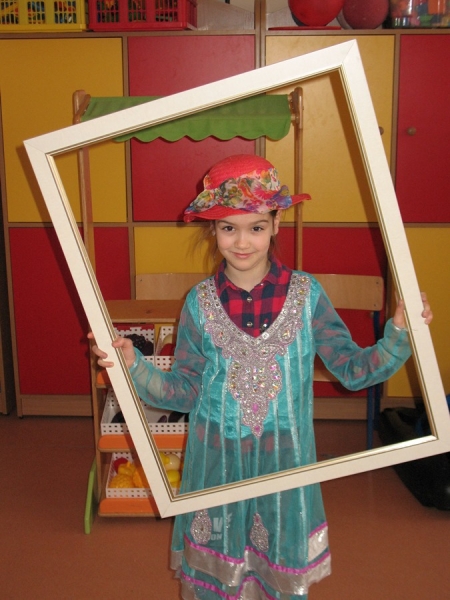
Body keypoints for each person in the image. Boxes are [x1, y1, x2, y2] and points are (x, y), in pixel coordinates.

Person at [90, 154, 433, 600]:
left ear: (275, 223)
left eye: (255, 227)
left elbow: (353, 370)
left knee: (278, 577)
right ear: (212, 230)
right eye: (227, 228)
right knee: (217, 578)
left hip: (284, 468)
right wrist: (133, 365)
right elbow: (185, 391)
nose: (241, 242)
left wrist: (400, 333)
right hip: (216, 468)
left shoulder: (307, 296)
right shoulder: (198, 302)